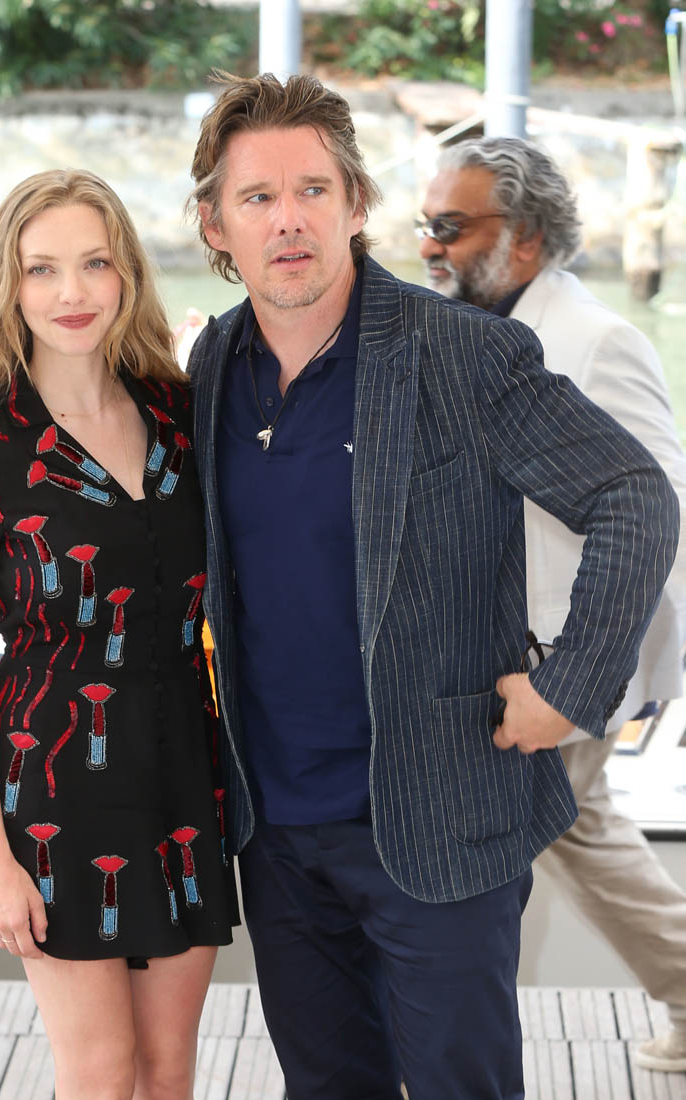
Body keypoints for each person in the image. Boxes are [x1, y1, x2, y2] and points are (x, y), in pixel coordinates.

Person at [183, 72, 679, 1100]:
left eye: (312, 190)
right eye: (257, 197)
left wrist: (569, 686)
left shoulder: (464, 353)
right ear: (215, 225)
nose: (288, 220)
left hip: (440, 816)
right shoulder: (213, 362)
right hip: (275, 829)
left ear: (356, 205)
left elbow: (634, 496)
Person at [0, 169, 238, 1100]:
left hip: (183, 772)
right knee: (99, 1070)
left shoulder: (180, 411)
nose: (72, 292)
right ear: (7, 286)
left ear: (126, 272)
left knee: (167, 1069)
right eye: (42, 269)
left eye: (95, 263)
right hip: (51, 788)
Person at [419, 135, 686, 1075]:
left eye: (449, 227)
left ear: (524, 238)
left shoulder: (597, 342)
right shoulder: (468, 328)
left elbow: (656, 511)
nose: (427, 246)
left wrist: (583, 681)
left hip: (555, 668)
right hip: (498, 661)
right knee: (579, 835)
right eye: (425, 224)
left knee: (498, 859)